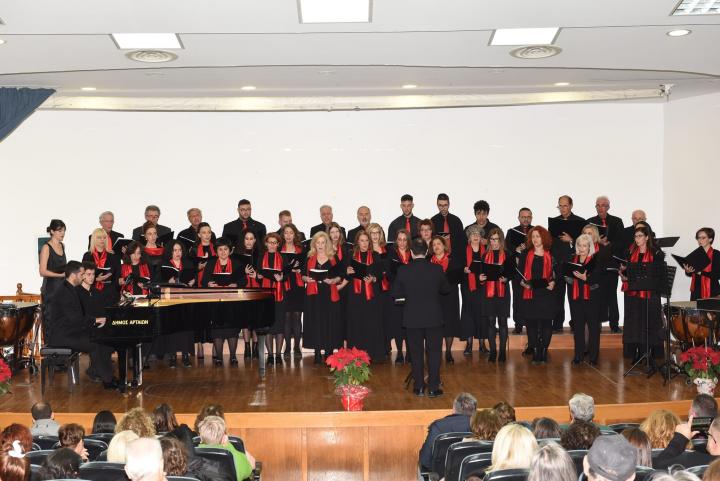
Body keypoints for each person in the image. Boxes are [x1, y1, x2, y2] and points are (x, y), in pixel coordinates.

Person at [393, 238, 452, 396]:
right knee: (434, 353)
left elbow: (396, 296)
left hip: (412, 318)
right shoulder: (437, 269)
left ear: (411, 252)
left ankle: (418, 386)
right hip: (433, 317)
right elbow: (446, 289)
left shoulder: (403, 270)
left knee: (416, 353)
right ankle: (433, 388)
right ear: (427, 252)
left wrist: (408, 300)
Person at [48, 261, 117, 389]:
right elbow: (75, 319)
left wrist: (94, 321)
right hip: (62, 335)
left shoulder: (69, 289)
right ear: (74, 275)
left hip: (71, 331)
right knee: (94, 344)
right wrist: (95, 321)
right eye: (82, 274)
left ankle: (108, 377)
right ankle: (108, 381)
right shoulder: (64, 292)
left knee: (101, 339)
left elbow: (76, 318)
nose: (83, 277)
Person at [620, 224, 666, 368]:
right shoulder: (629, 251)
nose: (637, 239)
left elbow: (659, 274)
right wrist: (623, 272)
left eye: (640, 236)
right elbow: (627, 273)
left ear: (647, 237)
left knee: (650, 322)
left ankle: (649, 352)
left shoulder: (656, 253)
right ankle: (639, 353)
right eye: (635, 236)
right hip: (633, 293)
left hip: (650, 294)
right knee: (636, 323)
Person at [201, 237, 247, 366]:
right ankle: (219, 358)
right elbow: (203, 281)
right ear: (216, 251)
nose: (223, 252)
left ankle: (233, 357)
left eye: (225, 249)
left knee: (232, 330)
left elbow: (244, 281)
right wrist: (209, 284)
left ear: (230, 250)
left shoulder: (237, 264)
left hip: (232, 303)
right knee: (217, 331)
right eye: (220, 249)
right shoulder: (210, 264)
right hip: (215, 303)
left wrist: (236, 284)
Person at [302, 231, 346, 364]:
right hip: (313, 295)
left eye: (323, 242)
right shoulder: (309, 258)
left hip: (329, 293)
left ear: (326, 243)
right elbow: (303, 275)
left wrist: (334, 281)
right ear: (314, 243)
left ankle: (328, 352)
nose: (320, 245)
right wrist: (307, 279)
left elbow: (340, 275)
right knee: (315, 322)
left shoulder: (333, 258)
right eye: (318, 242)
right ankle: (316, 352)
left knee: (329, 322)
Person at [518, 226, 557, 364]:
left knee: (547, 324)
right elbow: (520, 276)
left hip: (546, 294)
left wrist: (553, 283)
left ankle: (544, 352)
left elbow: (556, 274)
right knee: (531, 325)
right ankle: (535, 352)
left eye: (538, 236)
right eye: (533, 236)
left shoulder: (551, 255)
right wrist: (524, 284)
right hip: (530, 294)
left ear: (544, 238)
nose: (535, 239)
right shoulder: (525, 255)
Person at [586, 196, 625, 333]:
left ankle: (614, 324)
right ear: (595, 207)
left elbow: (622, 242)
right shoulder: (590, 222)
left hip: (611, 263)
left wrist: (609, 244)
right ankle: (596, 324)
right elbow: (585, 242)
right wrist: (598, 242)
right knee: (596, 296)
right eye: (598, 205)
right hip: (595, 265)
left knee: (611, 295)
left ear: (608, 207)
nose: (601, 207)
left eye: (603, 205)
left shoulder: (617, 221)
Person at [564, 234, 604, 365]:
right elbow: (567, 277)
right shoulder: (572, 259)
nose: (581, 248)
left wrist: (586, 279)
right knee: (578, 328)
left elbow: (598, 279)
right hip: (576, 298)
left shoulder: (595, 260)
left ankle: (593, 357)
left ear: (589, 247)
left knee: (593, 329)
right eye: (579, 245)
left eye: (585, 246)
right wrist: (568, 276)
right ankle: (578, 356)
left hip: (592, 298)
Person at [345, 230, 385, 361]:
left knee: (372, 322)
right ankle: (356, 355)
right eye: (362, 240)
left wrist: (373, 278)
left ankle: (373, 354)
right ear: (357, 241)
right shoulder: (350, 255)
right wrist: (348, 271)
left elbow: (379, 274)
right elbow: (344, 273)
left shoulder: (375, 255)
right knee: (356, 322)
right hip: (355, 294)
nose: (364, 243)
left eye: (366, 240)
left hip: (371, 294)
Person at [157, 240, 195, 367]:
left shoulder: (188, 263)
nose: (178, 253)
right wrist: (168, 281)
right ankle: (172, 356)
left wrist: (192, 282)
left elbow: (193, 278)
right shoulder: (164, 264)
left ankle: (185, 356)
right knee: (172, 328)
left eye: (179, 250)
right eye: (175, 250)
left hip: (185, 300)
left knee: (185, 328)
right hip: (171, 300)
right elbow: (158, 282)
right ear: (170, 252)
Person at [551, 195, 586, 332]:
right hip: (559, 264)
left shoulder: (580, 221)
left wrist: (571, 240)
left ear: (571, 205)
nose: (562, 208)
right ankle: (558, 324)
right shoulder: (554, 222)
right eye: (560, 205)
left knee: (574, 296)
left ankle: (576, 322)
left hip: (573, 264)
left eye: (565, 205)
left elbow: (584, 243)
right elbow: (551, 243)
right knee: (557, 296)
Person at [418, 392, 477, 470]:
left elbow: (425, 460)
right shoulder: (481, 426)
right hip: (472, 474)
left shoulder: (438, 426)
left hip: (441, 475)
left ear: (453, 408)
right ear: (474, 410)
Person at [481, 228, 514, 362]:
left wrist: (506, 279)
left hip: (502, 292)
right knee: (490, 322)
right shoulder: (484, 255)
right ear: (489, 240)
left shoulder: (507, 254)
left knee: (502, 322)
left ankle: (502, 352)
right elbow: (482, 274)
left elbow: (511, 274)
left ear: (501, 240)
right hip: (488, 293)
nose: (494, 242)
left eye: (497, 239)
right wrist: (481, 279)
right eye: (492, 239)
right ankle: (493, 351)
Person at [429, 235, 462, 364]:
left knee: (449, 322)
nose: (436, 246)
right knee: (435, 324)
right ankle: (435, 351)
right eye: (434, 245)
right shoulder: (428, 261)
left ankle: (448, 351)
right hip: (434, 297)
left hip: (450, 296)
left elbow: (458, 278)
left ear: (444, 246)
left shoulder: (453, 260)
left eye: (439, 244)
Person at [257, 232, 287, 365]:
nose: (272, 245)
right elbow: (258, 274)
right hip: (265, 295)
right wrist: (258, 277)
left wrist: (282, 278)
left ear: (278, 244)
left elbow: (287, 274)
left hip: (280, 295)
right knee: (268, 326)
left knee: (279, 326)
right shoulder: (260, 257)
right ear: (266, 243)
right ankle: (270, 355)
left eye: (275, 243)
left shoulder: (283, 257)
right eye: (270, 242)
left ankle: (279, 355)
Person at [197, 416, 254, 481]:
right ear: (224, 438)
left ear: (200, 438)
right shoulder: (236, 457)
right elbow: (251, 468)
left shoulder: (190, 454)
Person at [279, 223, 306, 359]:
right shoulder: (279, 250)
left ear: (295, 234)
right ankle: (287, 346)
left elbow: (306, 266)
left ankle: (297, 346)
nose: (288, 235)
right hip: (285, 284)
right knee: (286, 316)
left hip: (298, 285)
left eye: (291, 233)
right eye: (286, 233)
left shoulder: (301, 250)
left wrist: (300, 269)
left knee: (296, 316)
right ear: (282, 235)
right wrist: (288, 268)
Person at [654, 415, 720, 469]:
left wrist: (680, 438)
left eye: (709, 435)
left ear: (714, 443)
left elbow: (659, 466)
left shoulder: (694, 460)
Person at [460, 225, 487, 356]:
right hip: (467, 287)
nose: (475, 236)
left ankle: (482, 344)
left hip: (482, 286)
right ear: (469, 237)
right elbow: (458, 268)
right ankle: (469, 344)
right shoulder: (463, 251)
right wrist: (463, 270)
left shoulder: (486, 251)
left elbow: (490, 268)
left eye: (478, 234)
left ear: (481, 237)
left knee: (482, 314)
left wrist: (485, 274)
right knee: (468, 315)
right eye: (473, 234)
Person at [367, 223, 393, 357]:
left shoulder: (387, 249)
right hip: (372, 288)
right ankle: (375, 348)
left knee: (385, 317)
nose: (375, 235)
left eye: (377, 232)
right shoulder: (366, 250)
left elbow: (391, 269)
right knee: (374, 318)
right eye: (372, 233)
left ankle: (386, 346)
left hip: (386, 288)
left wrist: (384, 272)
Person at [507, 207, 534, 336]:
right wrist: (517, 249)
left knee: (531, 298)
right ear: (519, 218)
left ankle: (531, 324)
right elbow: (507, 250)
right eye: (523, 217)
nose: (526, 219)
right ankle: (518, 324)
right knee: (517, 297)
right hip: (517, 270)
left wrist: (528, 248)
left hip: (533, 270)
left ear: (531, 218)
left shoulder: (536, 232)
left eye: (528, 217)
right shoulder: (512, 232)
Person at [387, 229, 411, 363]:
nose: (402, 242)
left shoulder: (412, 254)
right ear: (396, 240)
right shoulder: (391, 253)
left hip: (410, 293)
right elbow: (389, 274)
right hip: (396, 292)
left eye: (404, 239)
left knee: (408, 323)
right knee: (397, 323)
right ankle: (400, 353)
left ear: (408, 241)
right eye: (399, 239)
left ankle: (409, 353)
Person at [39, 219, 67, 330]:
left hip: (62, 288)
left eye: (64, 230)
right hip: (51, 289)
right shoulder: (46, 247)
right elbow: (42, 271)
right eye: (59, 231)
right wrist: (60, 275)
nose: (63, 233)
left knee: (62, 320)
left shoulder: (62, 245)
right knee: (50, 320)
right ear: (52, 231)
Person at [237, 229, 261, 360]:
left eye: (251, 238)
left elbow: (264, 275)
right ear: (243, 240)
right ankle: (247, 347)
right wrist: (243, 272)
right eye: (247, 238)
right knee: (245, 320)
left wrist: (257, 275)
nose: (249, 241)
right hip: (244, 290)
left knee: (256, 320)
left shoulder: (260, 255)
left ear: (255, 240)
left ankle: (256, 347)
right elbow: (234, 276)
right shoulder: (237, 255)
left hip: (257, 290)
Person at [83, 228, 121, 307]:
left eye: (104, 237)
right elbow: (83, 275)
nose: (102, 240)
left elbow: (117, 276)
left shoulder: (114, 257)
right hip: (91, 291)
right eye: (99, 237)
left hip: (110, 294)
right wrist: (96, 279)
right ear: (94, 239)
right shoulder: (87, 256)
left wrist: (112, 291)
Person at [684, 228, 720, 300]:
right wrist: (688, 271)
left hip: (712, 291)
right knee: (695, 311)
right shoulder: (696, 254)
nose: (700, 240)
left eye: (703, 238)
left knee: (710, 311)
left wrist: (700, 272)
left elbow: (717, 275)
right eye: (698, 238)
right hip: (696, 291)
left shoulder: (716, 254)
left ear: (710, 239)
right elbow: (691, 273)